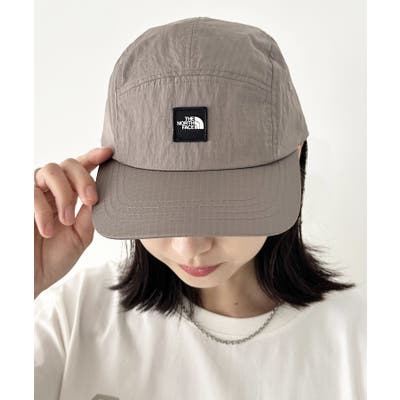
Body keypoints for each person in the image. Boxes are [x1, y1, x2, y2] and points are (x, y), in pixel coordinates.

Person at [34, 17, 365, 400]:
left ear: (294, 157)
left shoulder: (363, 344)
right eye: (161, 204)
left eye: (220, 204)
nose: (189, 246)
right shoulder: (71, 317)